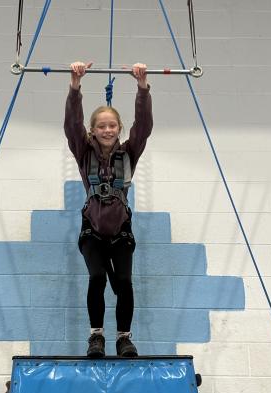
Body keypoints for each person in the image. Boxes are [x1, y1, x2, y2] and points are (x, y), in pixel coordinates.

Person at [64, 61, 153, 358]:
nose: (107, 130)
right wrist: (75, 86)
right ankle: (96, 336)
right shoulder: (84, 152)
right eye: (101, 126)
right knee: (98, 278)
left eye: (112, 126)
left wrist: (142, 87)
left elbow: (144, 127)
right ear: (92, 130)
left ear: (119, 129)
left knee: (124, 282)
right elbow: (72, 125)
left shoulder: (128, 153)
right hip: (92, 231)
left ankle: (124, 338)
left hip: (120, 232)